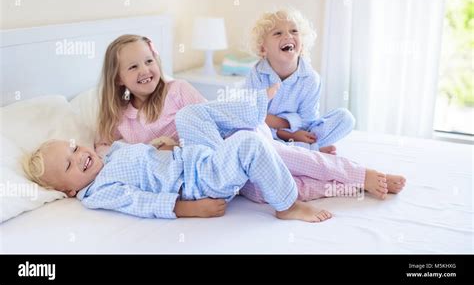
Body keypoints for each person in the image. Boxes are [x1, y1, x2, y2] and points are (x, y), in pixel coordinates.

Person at [94, 34, 405, 203]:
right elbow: (105, 154)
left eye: (149, 61)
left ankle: (360, 174)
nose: (145, 70)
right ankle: (346, 188)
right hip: (210, 172)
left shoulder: (178, 91)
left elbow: (214, 118)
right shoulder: (119, 120)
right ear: (118, 78)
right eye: (133, 67)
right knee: (263, 191)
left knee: (286, 159)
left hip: (231, 140)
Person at [22, 90, 333, 222]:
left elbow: (143, 156)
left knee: (188, 115)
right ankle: (287, 205)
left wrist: (161, 146)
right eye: (69, 164)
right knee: (247, 144)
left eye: (75, 148)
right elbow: (142, 203)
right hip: (200, 183)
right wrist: (191, 209)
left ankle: (253, 110)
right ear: (69, 190)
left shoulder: (112, 152)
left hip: (192, 157)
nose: (80, 156)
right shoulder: (97, 192)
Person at [246, 7, 355, 153]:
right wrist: (288, 132)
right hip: (269, 134)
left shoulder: (311, 79)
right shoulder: (257, 74)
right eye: (278, 33)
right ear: (263, 49)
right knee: (248, 132)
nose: (288, 36)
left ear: (302, 44)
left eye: (294, 31)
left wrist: (295, 132)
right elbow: (255, 115)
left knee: (345, 118)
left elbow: (306, 121)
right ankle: (310, 151)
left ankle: (302, 149)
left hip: (301, 132)